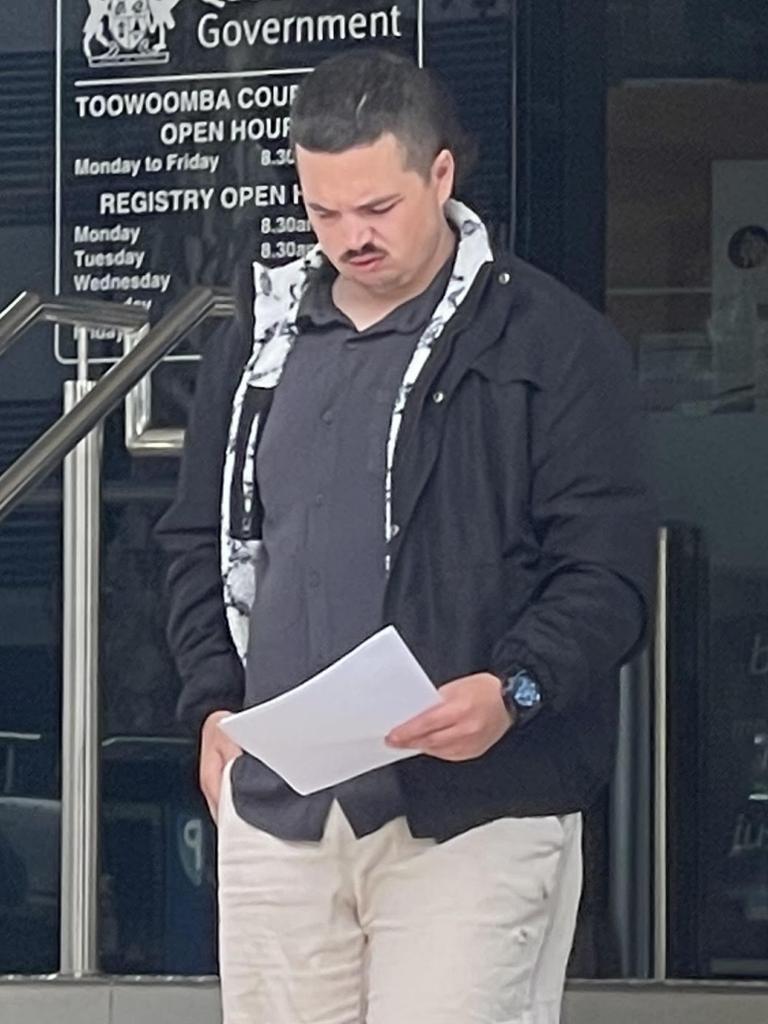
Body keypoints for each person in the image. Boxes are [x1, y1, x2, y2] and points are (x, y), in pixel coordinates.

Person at [156, 49, 656, 1024]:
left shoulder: (550, 341)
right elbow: (194, 540)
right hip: (280, 798)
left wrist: (515, 689)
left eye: (377, 208)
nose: (352, 238)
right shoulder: (256, 343)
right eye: (324, 210)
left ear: (440, 174)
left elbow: (607, 569)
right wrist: (211, 706)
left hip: (477, 803)